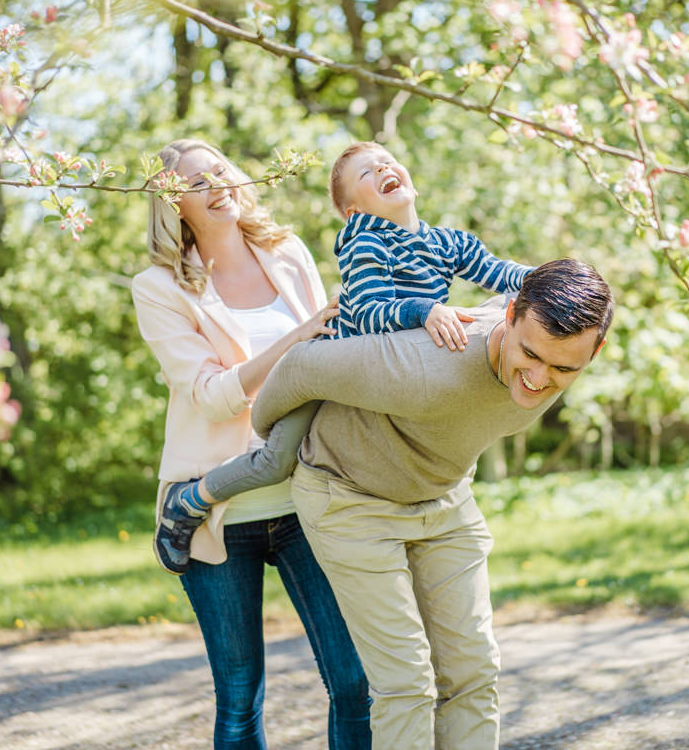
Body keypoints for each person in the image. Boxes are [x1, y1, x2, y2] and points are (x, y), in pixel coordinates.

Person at [251, 258, 614, 749]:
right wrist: (270, 443)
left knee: (473, 671)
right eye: (529, 354)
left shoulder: (550, 348)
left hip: (442, 495)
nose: (538, 377)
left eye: (563, 368)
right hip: (350, 498)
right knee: (406, 682)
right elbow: (301, 367)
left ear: (595, 350)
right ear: (510, 316)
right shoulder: (423, 364)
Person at [155, 141, 533, 561]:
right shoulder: (365, 243)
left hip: (377, 376)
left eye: (387, 162)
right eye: (367, 173)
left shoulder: (448, 242)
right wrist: (424, 310)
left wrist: (552, 278)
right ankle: (190, 498)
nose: (383, 169)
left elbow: (498, 271)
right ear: (354, 211)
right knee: (275, 461)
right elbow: (370, 314)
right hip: (327, 375)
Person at [131, 139, 371, 750]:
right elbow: (213, 396)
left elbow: (330, 355)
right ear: (173, 206)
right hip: (215, 511)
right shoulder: (159, 287)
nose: (217, 185)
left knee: (354, 682)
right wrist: (299, 337)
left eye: (221, 171)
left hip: (307, 500)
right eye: (197, 183)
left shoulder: (286, 253)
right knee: (240, 698)